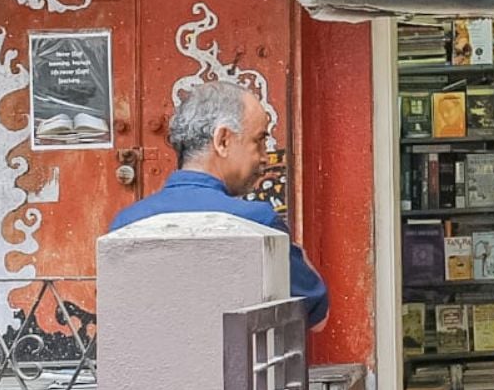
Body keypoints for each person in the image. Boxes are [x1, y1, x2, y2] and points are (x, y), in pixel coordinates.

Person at [109, 81, 330, 330]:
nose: (265, 157)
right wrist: (297, 253)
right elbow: (318, 317)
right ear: (223, 140)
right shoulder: (257, 223)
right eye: (258, 141)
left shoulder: (125, 224)